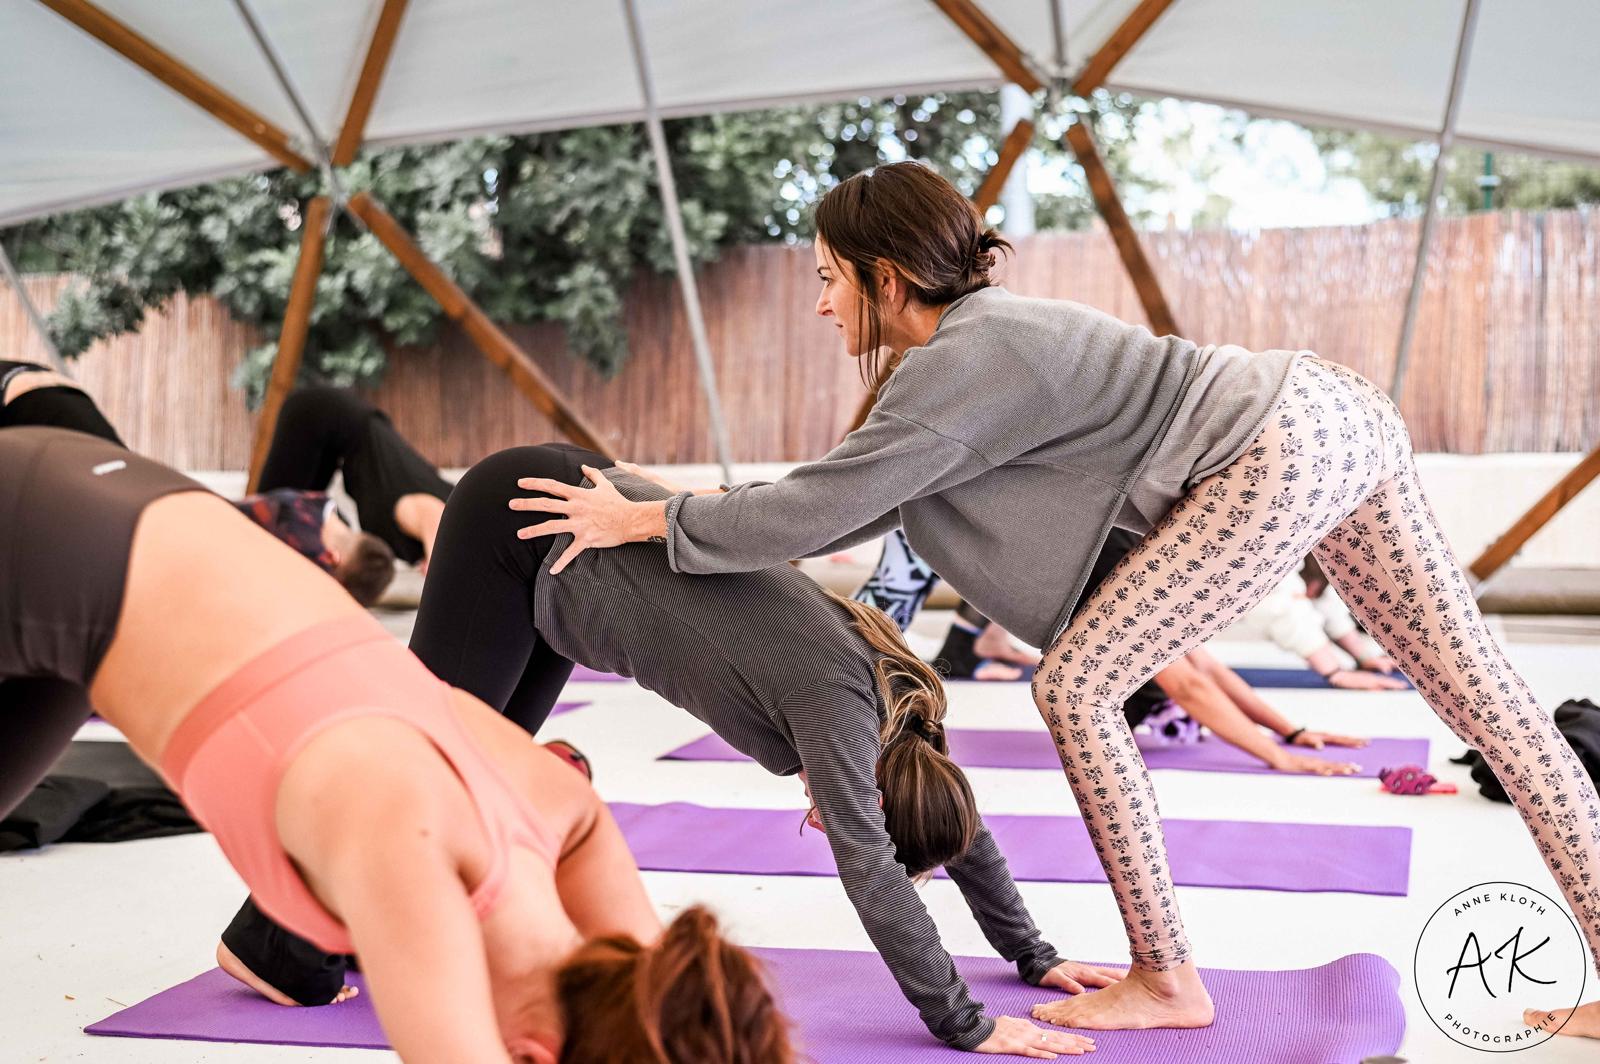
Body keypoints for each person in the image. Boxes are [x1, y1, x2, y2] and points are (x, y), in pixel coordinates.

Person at [514, 160, 1600, 1032]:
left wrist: (647, 518)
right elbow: (846, 505)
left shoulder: (956, 363)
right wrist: (685, 510)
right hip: (1339, 412)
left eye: (829, 276)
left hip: (1270, 445)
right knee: (1499, 713)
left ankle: (1166, 975)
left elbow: (812, 509)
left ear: (887, 277)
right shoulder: (973, 354)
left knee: (1075, 688)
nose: (819, 301)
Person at [228, 441, 1111, 1059]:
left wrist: (1033, 955)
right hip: (525, 524)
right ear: (879, 799)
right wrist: (964, 1022)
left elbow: (961, 831)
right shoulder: (843, 714)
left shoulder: (908, 713)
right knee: (420, 758)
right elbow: (873, 869)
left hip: (563, 555)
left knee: (478, 767)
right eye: (846, 817)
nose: (822, 818)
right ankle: (270, 945)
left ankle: (331, 920)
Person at [0, 425, 790, 1064]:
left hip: (109, 528)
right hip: (44, 542)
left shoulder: (563, 813)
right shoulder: (409, 867)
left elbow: (668, 1006)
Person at [0, 360, 397, 605]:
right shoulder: (305, 546)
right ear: (334, 561)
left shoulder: (319, 506)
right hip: (45, 421)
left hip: (61, 409)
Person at [256, 386, 452, 570]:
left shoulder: (447, 514)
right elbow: (433, 515)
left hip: (339, 423)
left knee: (289, 531)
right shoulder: (438, 523)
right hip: (317, 414)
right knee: (264, 528)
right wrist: (442, 573)